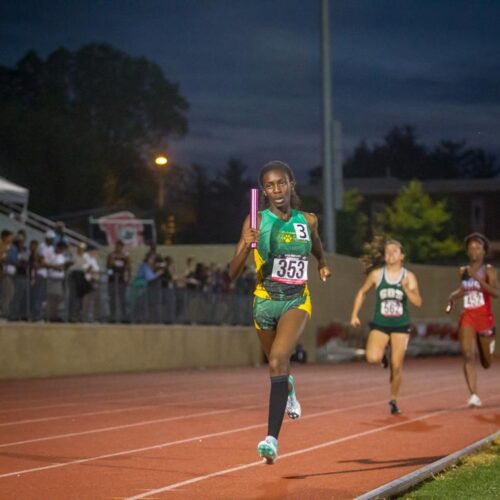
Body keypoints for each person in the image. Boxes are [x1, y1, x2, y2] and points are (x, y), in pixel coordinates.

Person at [229, 160, 331, 464]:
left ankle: (271, 440)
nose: (277, 190)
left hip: (296, 301)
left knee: (277, 359)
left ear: (291, 184)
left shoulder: (308, 220)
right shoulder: (255, 221)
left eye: (282, 183)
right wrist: (247, 247)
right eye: (270, 185)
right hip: (264, 301)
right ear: (264, 191)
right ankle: (288, 388)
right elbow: (231, 272)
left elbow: (316, 246)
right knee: (276, 368)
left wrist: (323, 264)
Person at [350, 239, 422, 415]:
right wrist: (354, 314)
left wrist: (406, 289)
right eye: (388, 251)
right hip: (381, 323)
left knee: (397, 366)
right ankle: (383, 357)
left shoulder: (408, 277)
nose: (391, 254)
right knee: (372, 358)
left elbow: (418, 302)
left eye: (395, 251)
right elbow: (362, 292)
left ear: (402, 256)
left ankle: (393, 399)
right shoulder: (376, 274)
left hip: (400, 326)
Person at [446, 233, 498, 408]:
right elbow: (465, 290)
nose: (474, 251)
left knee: (486, 363)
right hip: (468, 315)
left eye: (478, 248)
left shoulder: (489, 270)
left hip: (484, 317)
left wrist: (477, 278)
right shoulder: (462, 270)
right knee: (468, 354)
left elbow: (495, 293)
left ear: (484, 251)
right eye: (471, 248)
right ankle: (474, 395)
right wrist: (454, 295)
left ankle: (489, 345)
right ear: (467, 251)